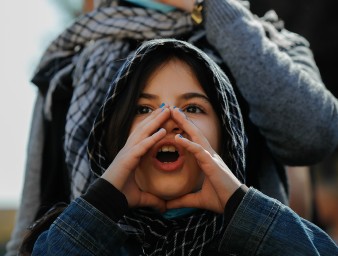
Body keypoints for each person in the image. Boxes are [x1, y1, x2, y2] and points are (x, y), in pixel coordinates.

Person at [6, 0, 338, 255]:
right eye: (142, 108)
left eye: (193, 108)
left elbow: (312, 136)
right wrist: (104, 202)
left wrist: (208, 7)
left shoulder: (270, 42)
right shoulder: (71, 65)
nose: (166, 120)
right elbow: (33, 214)